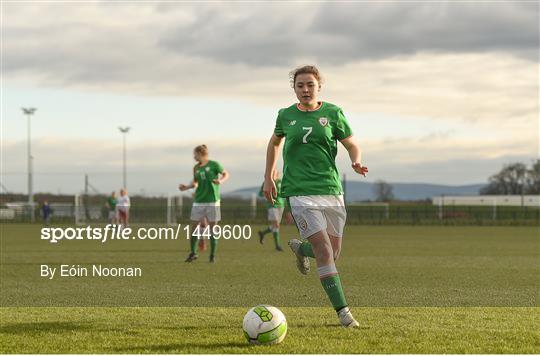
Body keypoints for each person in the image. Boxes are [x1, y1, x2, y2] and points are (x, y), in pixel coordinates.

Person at [263, 65, 368, 328]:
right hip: (299, 191)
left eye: (310, 84)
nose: (305, 90)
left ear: (319, 86)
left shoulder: (333, 113)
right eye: (300, 85)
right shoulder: (285, 115)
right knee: (324, 250)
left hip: (331, 189)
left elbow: (352, 143)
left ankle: (300, 249)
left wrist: (356, 161)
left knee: (333, 253)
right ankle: (343, 313)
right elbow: (274, 142)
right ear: (294, 88)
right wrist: (269, 175)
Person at [179, 144, 229, 263]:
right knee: (194, 227)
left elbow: (226, 174)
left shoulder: (214, 164)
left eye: (195, 154)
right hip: (199, 201)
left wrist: (220, 181)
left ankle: (212, 256)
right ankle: (193, 253)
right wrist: (186, 187)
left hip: (213, 200)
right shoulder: (196, 168)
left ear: (200, 153)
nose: (194, 156)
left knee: (213, 229)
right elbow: (196, 183)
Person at [258, 169, 285, 251]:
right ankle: (277, 246)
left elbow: (284, 192)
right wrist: (268, 193)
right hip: (272, 205)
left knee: (276, 226)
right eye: (271, 172)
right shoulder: (266, 182)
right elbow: (260, 194)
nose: (273, 173)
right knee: (276, 224)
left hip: (281, 205)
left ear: (277, 173)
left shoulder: (280, 181)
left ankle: (263, 233)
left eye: (274, 172)